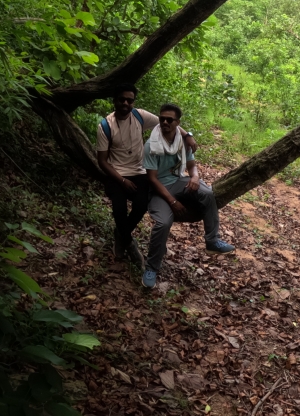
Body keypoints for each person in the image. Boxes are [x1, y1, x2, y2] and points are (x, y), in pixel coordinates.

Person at [96, 85, 198, 268]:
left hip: (140, 171)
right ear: (115, 100)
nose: (126, 103)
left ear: (133, 102)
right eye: (122, 99)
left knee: (142, 204)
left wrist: (188, 135)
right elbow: (102, 161)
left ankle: (121, 236)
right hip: (117, 173)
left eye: (130, 100)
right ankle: (128, 243)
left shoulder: (139, 115)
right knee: (119, 209)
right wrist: (122, 180)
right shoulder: (105, 126)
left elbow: (168, 122)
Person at [142, 102, 234, 289]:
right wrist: (172, 201)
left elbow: (191, 165)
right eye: (162, 119)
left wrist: (195, 176)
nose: (165, 122)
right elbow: (152, 179)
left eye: (170, 119)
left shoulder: (182, 140)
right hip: (159, 188)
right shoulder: (151, 145)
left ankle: (212, 240)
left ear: (177, 123)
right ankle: (151, 268)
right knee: (163, 223)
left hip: (179, 181)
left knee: (207, 192)